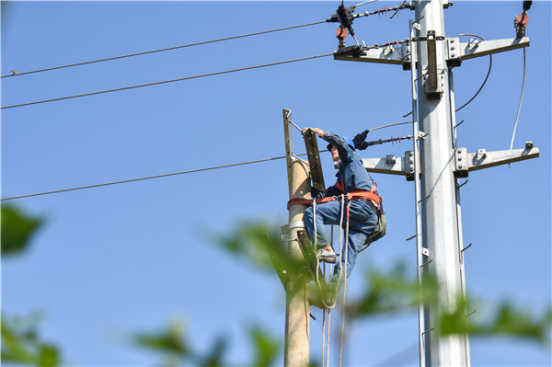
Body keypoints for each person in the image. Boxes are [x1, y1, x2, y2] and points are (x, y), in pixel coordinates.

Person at [301, 127, 380, 296]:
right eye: (330, 149)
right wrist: (308, 189)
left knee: (313, 213)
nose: (332, 151)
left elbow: (342, 144)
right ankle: (332, 291)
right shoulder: (343, 178)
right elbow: (326, 195)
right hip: (367, 219)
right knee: (347, 258)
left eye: (334, 148)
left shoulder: (351, 159)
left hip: (360, 207)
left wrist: (322, 134)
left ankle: (325, 248)